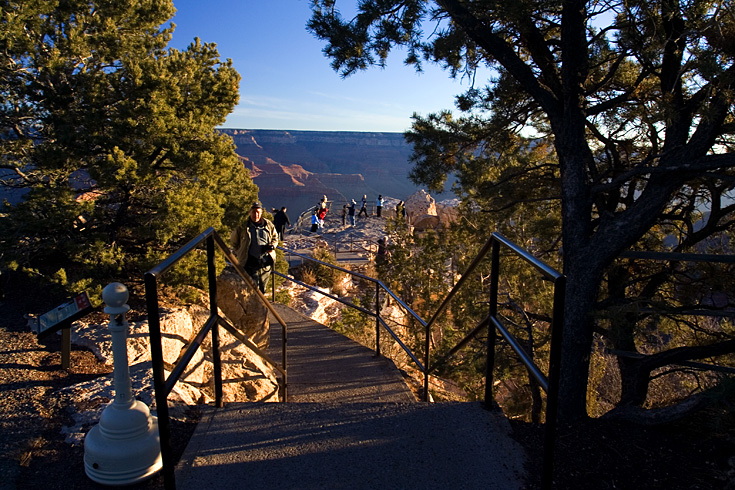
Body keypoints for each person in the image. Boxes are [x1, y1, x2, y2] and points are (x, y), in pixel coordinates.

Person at [230, 201, 279, 293]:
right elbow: (234, 243)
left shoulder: (268, 225)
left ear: (261, 213)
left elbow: (275, 237)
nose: (255, 214)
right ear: (250, 212)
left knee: (262, 289)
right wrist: (240, 253)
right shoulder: (243, 226)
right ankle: (254, 306)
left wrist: (272, 246)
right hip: (249, 263)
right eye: (253, 212)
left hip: (265, 263)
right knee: (251, 288)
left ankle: (261, 305)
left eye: (258, 212)